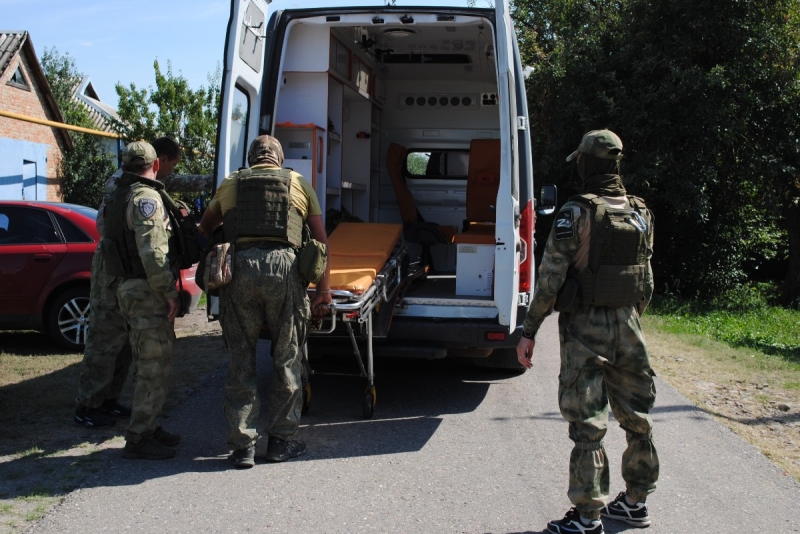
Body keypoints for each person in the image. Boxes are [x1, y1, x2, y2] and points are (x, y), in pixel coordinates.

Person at [516, 130, 658, 534]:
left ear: (586, 163)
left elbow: (550, 277)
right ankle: (635, 503)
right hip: (629, 323)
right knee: (638, 417)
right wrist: (632, 316)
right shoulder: (639, 212)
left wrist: (529, 330)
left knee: (588, 422)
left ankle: (586, 517)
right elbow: (646, 277)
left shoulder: (574, 214)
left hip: (585, 328)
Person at [199, 135, 331, 469]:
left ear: (252, 157)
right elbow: (320, 241)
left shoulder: (232, 181)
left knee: (241, 360)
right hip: (285, 270)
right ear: (279, 159)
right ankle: (279, 443)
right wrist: (322, 292)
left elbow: (205, 227)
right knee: (286, 358)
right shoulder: (299, 182)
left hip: (239, 269)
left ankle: (243, 447)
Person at [74, 138, 182, 429]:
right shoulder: (123, 189)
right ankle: (88, 404)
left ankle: (108, 399)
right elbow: (105, 226)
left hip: (123, 270)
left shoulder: (136, 186)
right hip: (111, 272)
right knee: (104, 340)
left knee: (123, 341)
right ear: (156, 162)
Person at [102, 141, 183, 460]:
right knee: (154, 365)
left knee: (145, 359)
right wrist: (168, 292)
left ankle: (147, 426)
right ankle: (139, 437)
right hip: (146, 289)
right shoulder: (146, 197)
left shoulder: (118, 194)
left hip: (128, 287)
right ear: (155, 164)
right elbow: (152, 252)